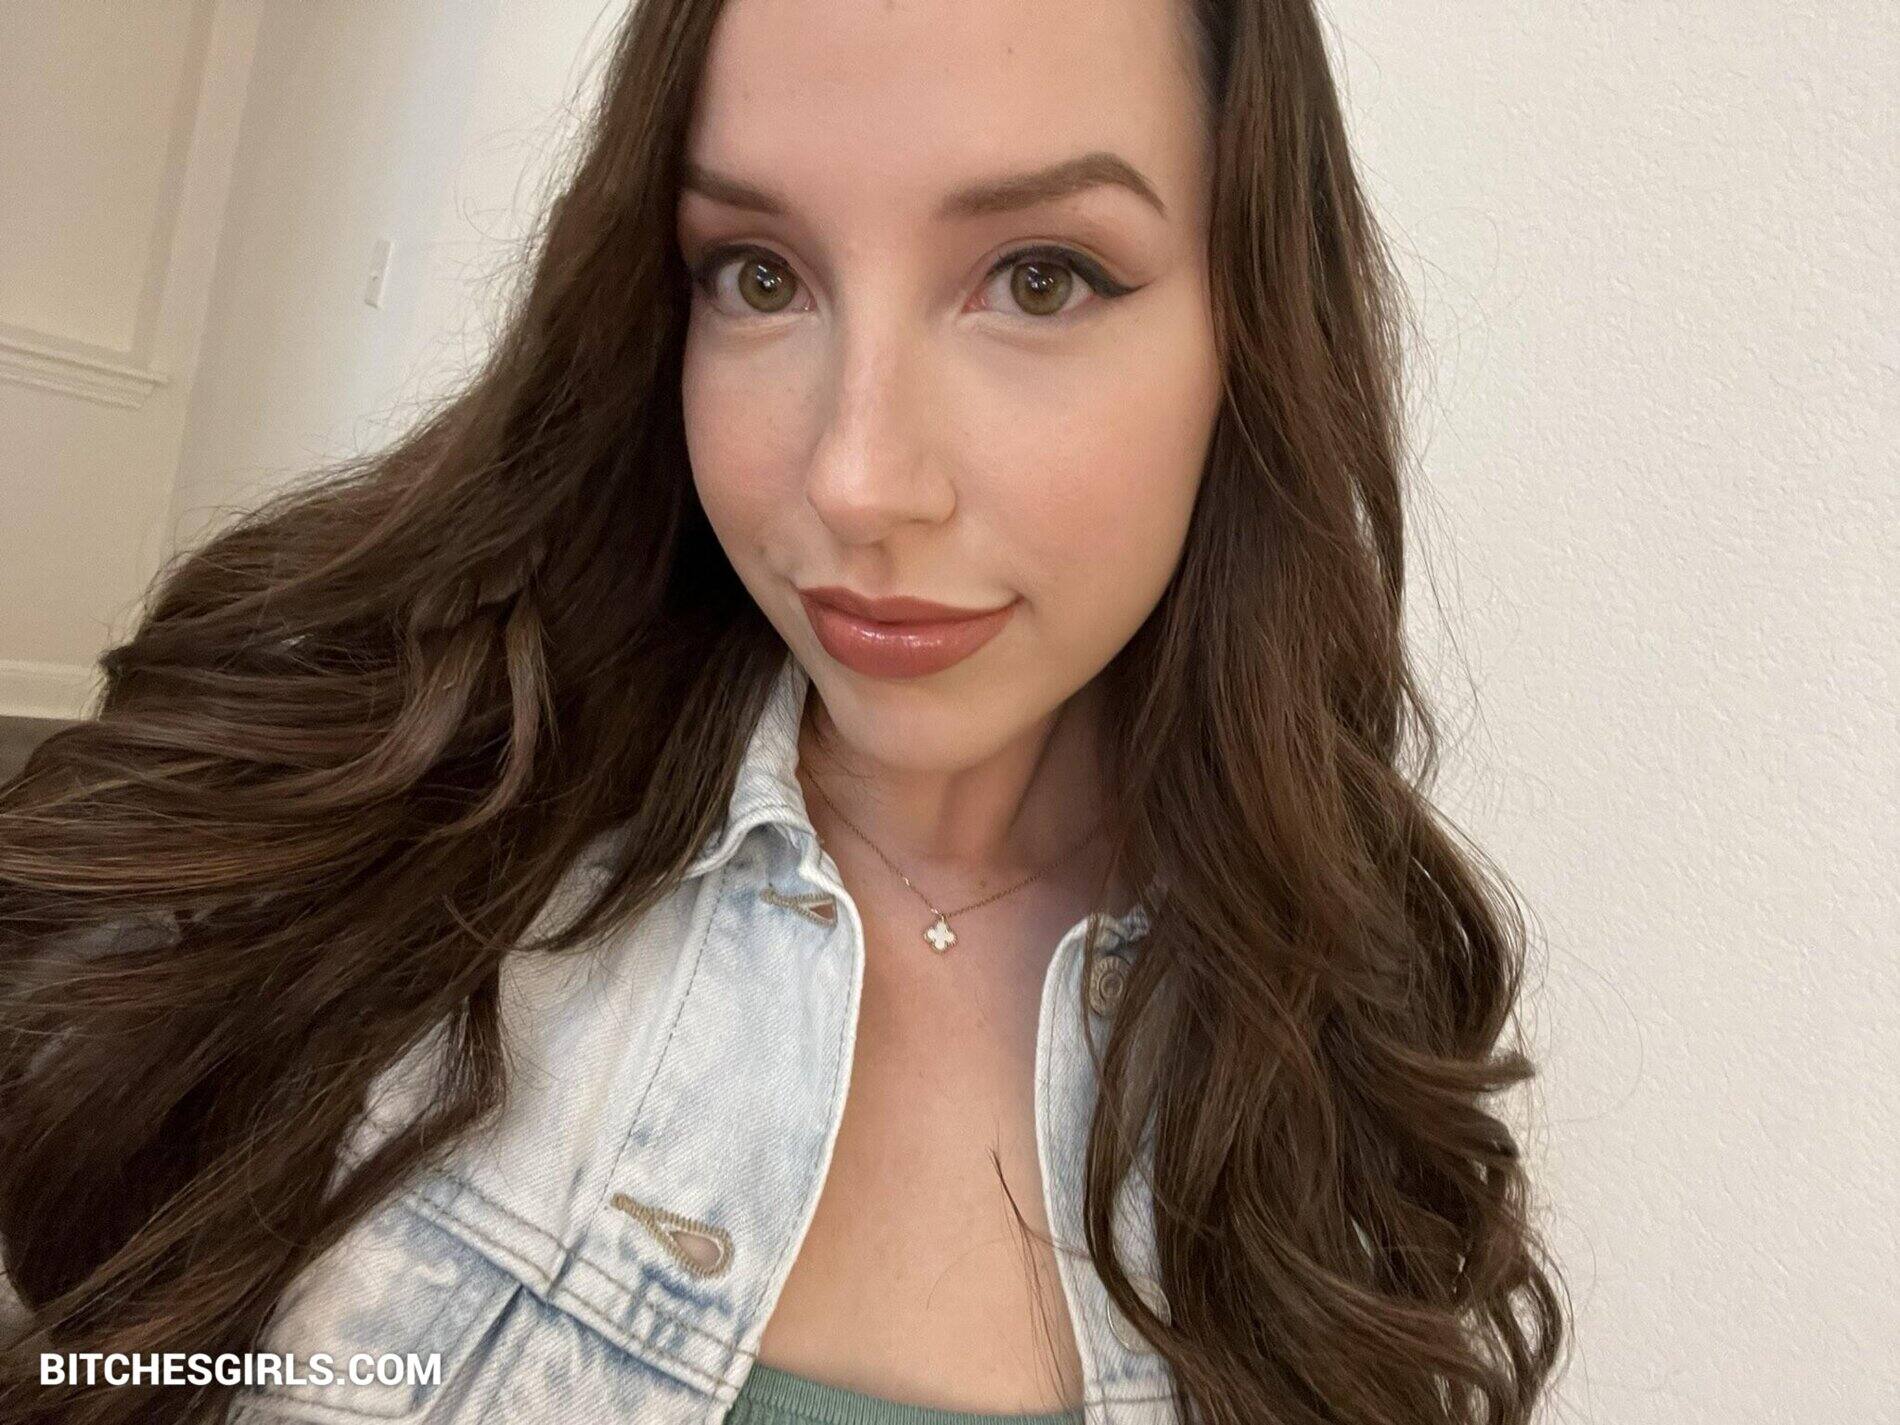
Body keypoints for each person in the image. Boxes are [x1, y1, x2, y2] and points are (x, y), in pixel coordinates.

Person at [0, 1, 1570, 1422]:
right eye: (761, 276)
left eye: (1040, 278)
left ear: (1253, 328)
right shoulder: (385, 842)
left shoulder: (1341, 1029)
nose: (856, 479)